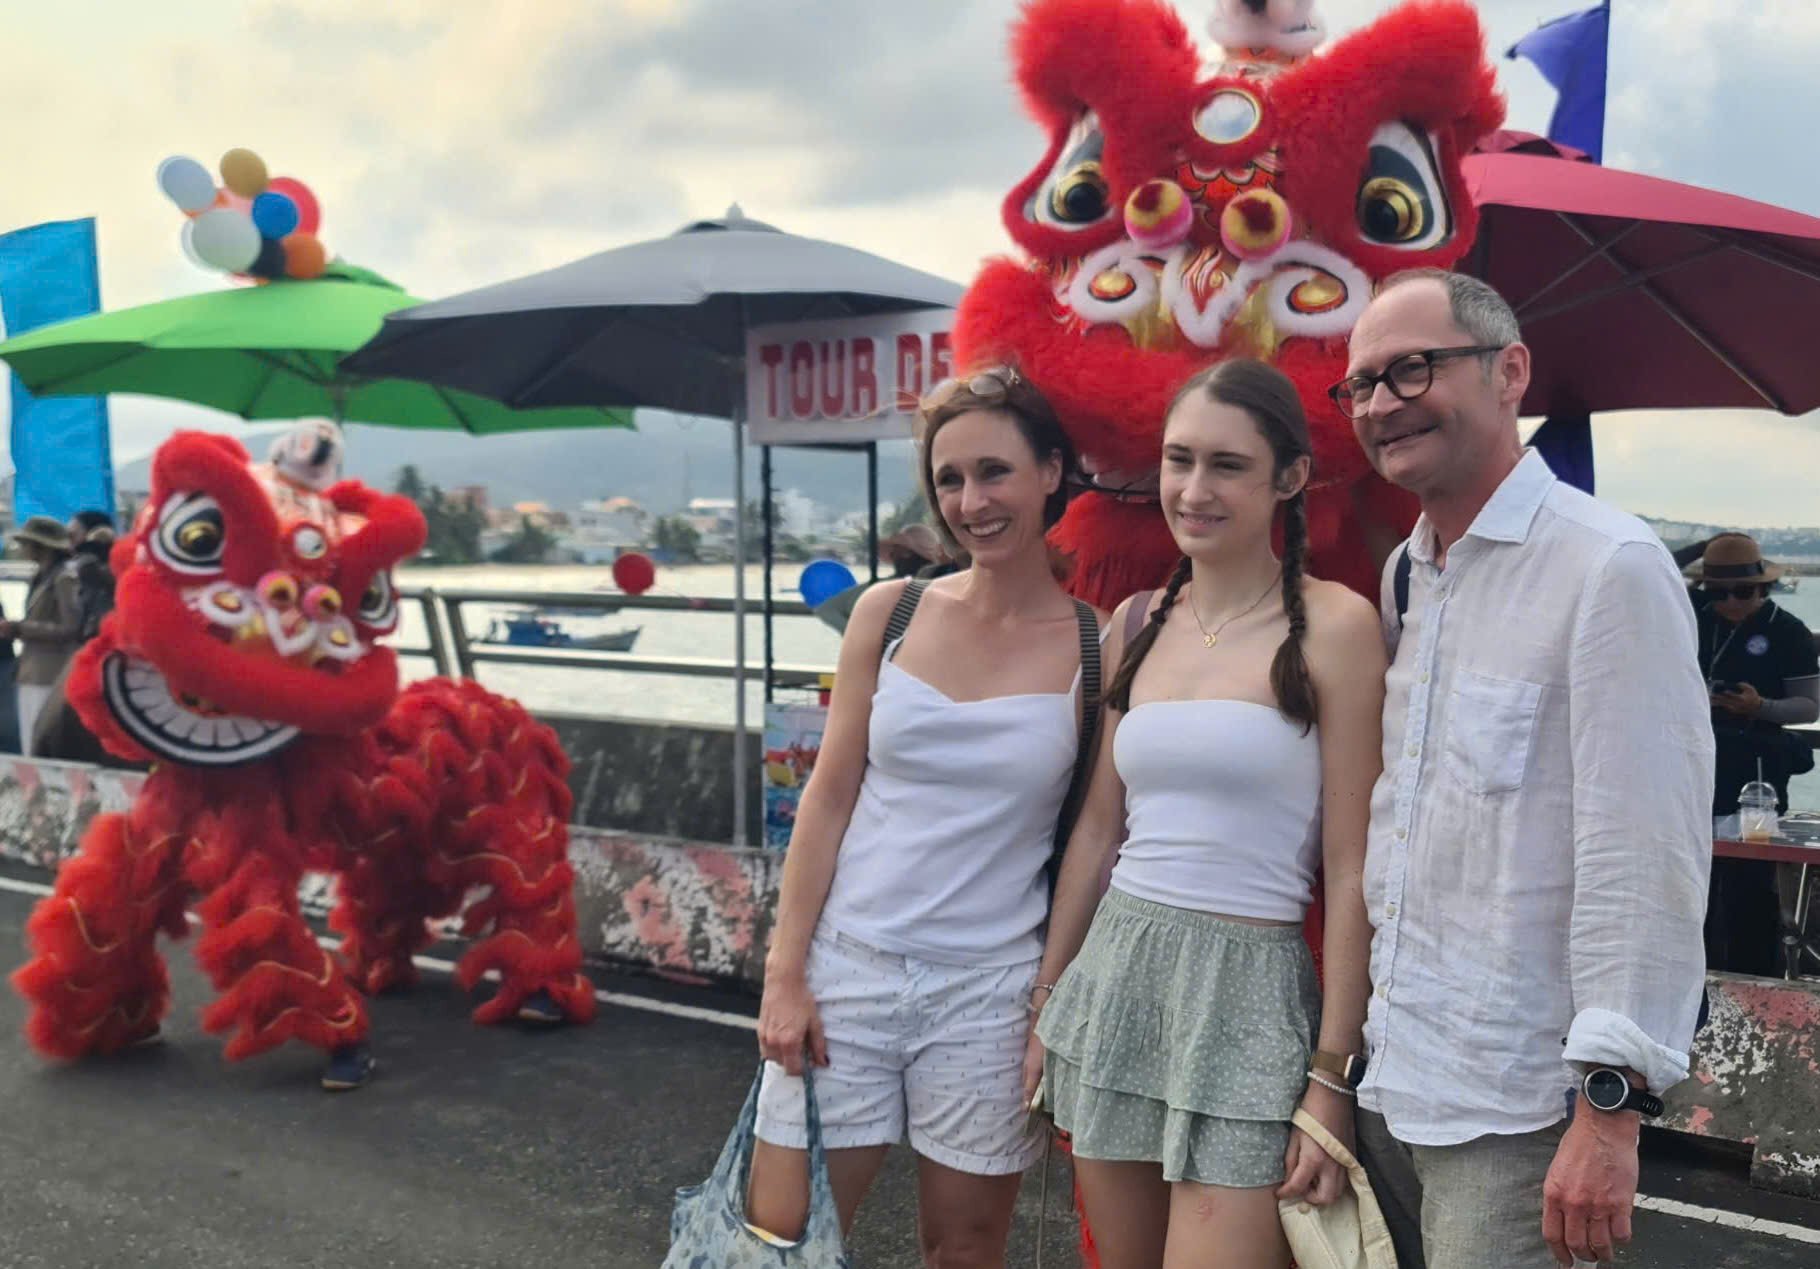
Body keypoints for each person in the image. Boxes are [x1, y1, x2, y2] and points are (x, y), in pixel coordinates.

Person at [1334, 269, 1712, 1269]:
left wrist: (1609, 1108)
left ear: (1509, 374)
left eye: (1409, 369)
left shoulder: (1606, 567)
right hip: (1397, 1079)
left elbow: (1645, 859)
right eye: (1360, 384)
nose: (1379, 403)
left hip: (1519, 1110)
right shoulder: (1407, 572)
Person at [1028, 359, 1385, 1269]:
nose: (1193, 489)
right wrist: (1046, 1001)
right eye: (1178, 460)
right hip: (1116, 979)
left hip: (1252, 994)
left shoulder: (1337, 626)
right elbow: (1099, 834)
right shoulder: (1136, 621)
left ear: (1289, 478)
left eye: (1227, 464)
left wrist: (1332, 1075)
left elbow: (1351, 868)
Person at [748, 366, 1103, 1265]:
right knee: (779, 1236)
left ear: (1052, 471)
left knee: (965, 1248)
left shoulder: (1101, 643)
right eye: (949, 479)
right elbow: (826, 800)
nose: (971, 501)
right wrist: (784, 974)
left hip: (989, 990)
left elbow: (1096, 838)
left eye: (995, 472)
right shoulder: (888, 611)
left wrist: (1045, 1005)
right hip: (849, 968)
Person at [1685, 533, 1819, 975]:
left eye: (1742, 592)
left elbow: (1810, 705)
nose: (1731, 603)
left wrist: (1759, 707)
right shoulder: (1690, 617)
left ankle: (1754, 973)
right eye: (1717, 592)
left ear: (1763, 588)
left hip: (1755, 770)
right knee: (1689, 882)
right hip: (1693, 765)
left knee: (1750, 887)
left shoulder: (1788, 631)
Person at [1, 517, 84, 757]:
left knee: (39, 744)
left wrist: (20, 628)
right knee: (29, 742)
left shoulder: (62, 578)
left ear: (41, 546)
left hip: (48, 673)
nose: (23, 549)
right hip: (34, 671)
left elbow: (70, 627)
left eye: (27, 544)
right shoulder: (44, 576)